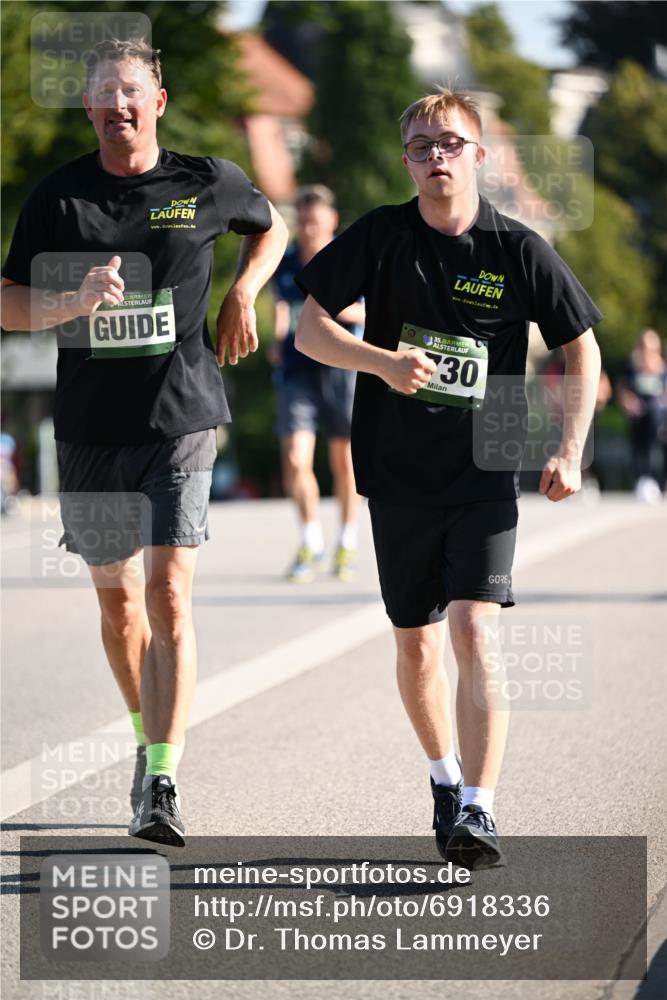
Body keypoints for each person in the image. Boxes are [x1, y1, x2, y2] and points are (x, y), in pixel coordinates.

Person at [295, 90, 602, 869]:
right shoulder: (380, 236)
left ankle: (479, 808)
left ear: (479, 155)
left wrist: (569, 449)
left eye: (451, 142)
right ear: (408, 159)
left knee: (472, 627)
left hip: (487, 462)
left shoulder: (517, 248)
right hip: (396, 468)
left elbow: (582, 347)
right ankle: (442, 776)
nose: (437, 155)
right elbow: (310, 329)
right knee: (418, 647)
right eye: (423, 144)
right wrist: (382, 362)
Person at [1, 38, 288, 846]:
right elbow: (6, 300)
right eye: (104, 96)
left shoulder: (204, 180)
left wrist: (243, 293)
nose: (118, 107)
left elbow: (272, 225)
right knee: (118, 599)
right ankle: (144, 736)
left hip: (182, 414)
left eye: (132, 92)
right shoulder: (59, 198)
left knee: (167, 594)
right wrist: (70, 302)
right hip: (92, 426)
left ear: (157, 102)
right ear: (89, 110)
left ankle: (161, 778)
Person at [271, 185, 365, 582]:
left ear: (331, 220)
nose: (308, 227)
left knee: (344, 463)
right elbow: (281, 306)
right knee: (295, 458)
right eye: (303, 219)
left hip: (343, 365)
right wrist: (276, 341)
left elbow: (366, 309)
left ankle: (346, 541)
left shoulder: (349, 257)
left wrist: (325, 309)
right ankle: (311, 540)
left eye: (315, 219)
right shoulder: (288, 262)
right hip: (298, 370)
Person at [617, 328, 666, 502]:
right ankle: (640, 480)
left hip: (656, 419)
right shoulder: (632, 368)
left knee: (655, 449)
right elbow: (623, 390)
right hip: (637, 418)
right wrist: (629, 403)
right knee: (638, 448)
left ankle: (656, 482)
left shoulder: (662, 369)